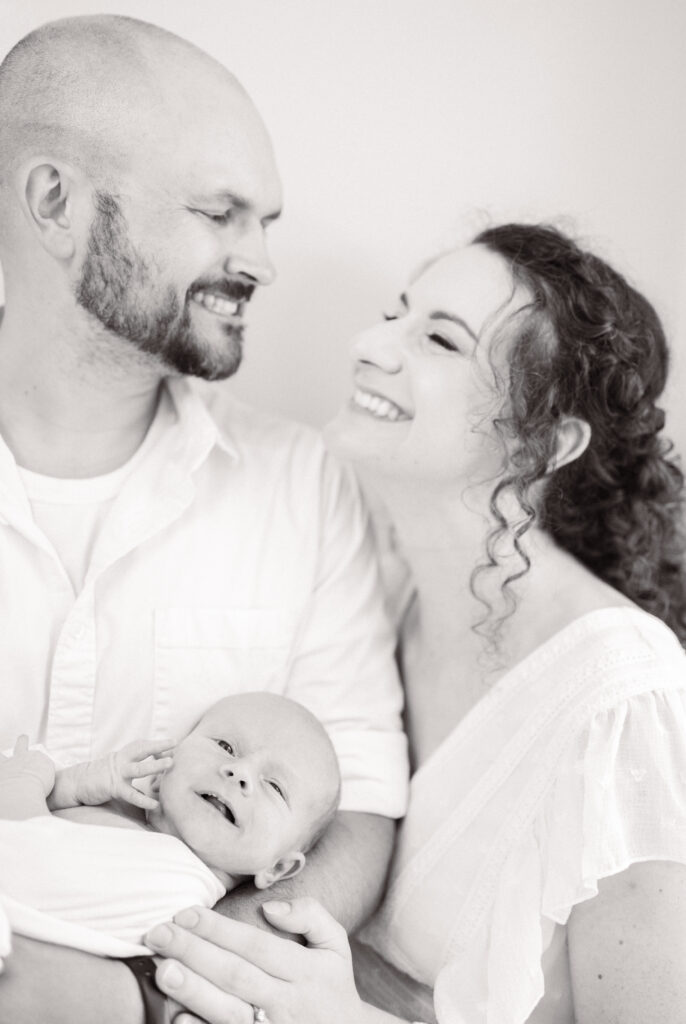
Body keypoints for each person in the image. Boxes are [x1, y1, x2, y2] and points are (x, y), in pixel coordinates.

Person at [143, 223, 686, 1024]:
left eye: (439, 339)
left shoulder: (619, 696)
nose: (371, 344)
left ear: (547, 439)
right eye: (396, 313)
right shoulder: (375, 593)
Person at [0, 14, 408, 1023]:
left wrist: (152, 991)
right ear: (55, 202)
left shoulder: (300, 485)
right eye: (220, 212)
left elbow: (355, 804)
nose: (261, 261)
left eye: (265, 220)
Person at [0, 693, 341, 961]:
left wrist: (24, 783)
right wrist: (70, 786)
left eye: (276, 787)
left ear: (279, 867)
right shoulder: (138, 842)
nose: (241, 771)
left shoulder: (175, 887)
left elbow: (20, 861)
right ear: (162, 773)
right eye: (225, 746)